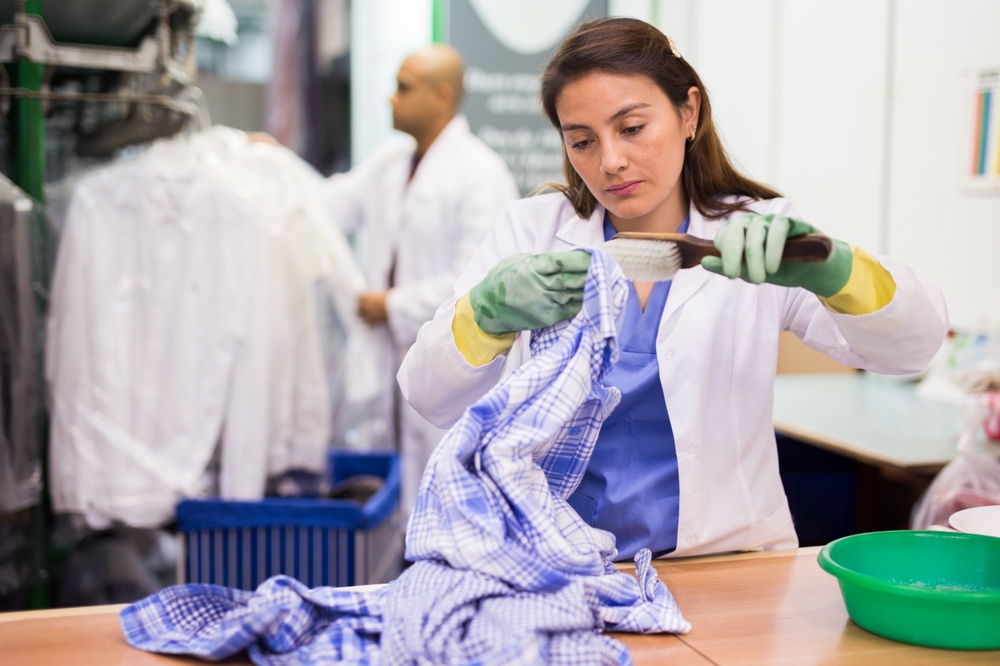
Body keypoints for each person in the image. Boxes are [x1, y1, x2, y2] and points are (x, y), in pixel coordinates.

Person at [398, 18, 948, 558]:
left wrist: (834, 270)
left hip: (728, 562)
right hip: (565, 564)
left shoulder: (754, 232)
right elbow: (429, 395)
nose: (609, 161)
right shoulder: (531, 231)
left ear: (689, 112)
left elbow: (913, 347)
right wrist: (485, 315)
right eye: (582, 141)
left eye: (632, 128)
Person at [323, 45, 519, 515]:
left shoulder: (480, 174)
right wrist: (279, 169)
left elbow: (477, 282)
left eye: (403, 88)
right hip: (392, 354)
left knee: (447, 493)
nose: (391, 99)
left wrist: (389, 305)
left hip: (452, 366)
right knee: (397, 499)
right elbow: (327, 205)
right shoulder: (391, 162)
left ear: (441, 97)